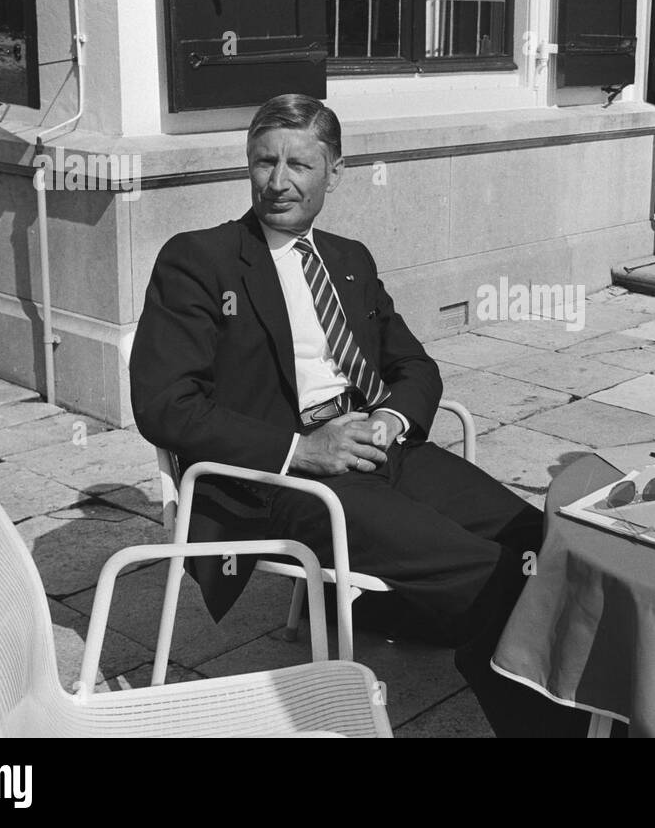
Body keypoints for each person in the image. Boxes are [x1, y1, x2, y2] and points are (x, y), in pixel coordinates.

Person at [131, 94, 586, 737]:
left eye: (300, 165)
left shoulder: (349, 260)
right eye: (264, 162)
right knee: (490, 578)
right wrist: (302, 448)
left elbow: (416, 370)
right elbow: (164, 405)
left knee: (540, 542)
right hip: (283, 479)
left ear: (335, 172)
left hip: (379, 446)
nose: (279, 181)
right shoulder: (198, 261)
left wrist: (392, 424)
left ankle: (480, 642)